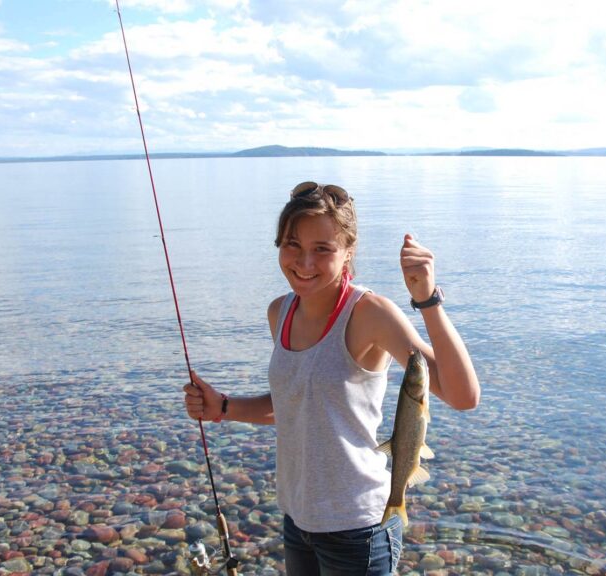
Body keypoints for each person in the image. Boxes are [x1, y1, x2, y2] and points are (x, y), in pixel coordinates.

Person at [183, 181, 480, 575]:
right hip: (297, 519)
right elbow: (296, 404)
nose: (304, 263)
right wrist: (222, 406)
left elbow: (463, 395)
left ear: (348, 252)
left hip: (358, 527)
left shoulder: (370, 314)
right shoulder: (280, 312)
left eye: (322, 249)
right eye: (293, 245)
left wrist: (427, 301)